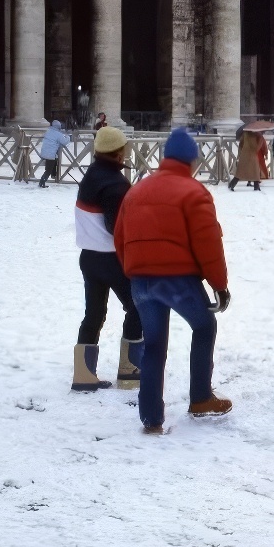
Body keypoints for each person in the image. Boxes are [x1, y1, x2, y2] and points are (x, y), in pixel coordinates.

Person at [114, 128, 232, 433]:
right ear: (191, 161)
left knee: (154, 344)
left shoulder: (136, 190)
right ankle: (201, 398)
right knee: (205, 326)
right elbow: (208, 243)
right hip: (177, 279)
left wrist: (134, 268)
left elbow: (120, 237)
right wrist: (219, 285)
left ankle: (151, 417)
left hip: (141, 279)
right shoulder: (194, 192)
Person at [71, 125, 144, 392]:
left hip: (88, 258)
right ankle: (130, 370)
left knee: (93, 314)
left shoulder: (91, 175)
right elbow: (118, 227)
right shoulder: (116, 184)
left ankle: (83, 375)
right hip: (112, 259)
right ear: (118, 152)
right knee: (136, 307)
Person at [38, 119, 70, 187]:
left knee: (50, 166)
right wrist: (68, 137)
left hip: (45, 152)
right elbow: (64, 142)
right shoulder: (58, 134)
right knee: (48, 170)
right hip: (51, 154)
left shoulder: (48, 131)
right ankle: (42, 182)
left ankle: (53, 175)